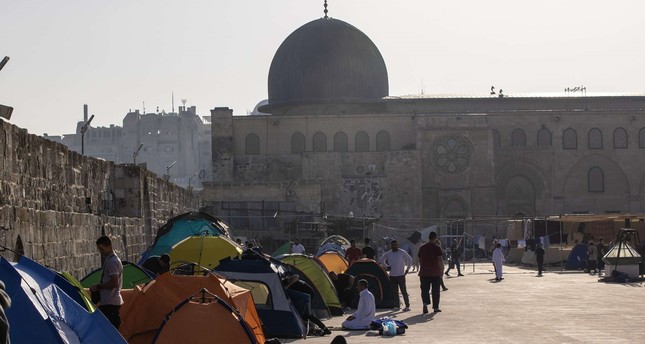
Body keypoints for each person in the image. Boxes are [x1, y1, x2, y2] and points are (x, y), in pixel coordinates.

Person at [90, 235, 124, 329]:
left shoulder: (112, 262)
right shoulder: (111, 260)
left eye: (102, 249)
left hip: (111, 303)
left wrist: (98, 286)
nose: (101, 252)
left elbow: (114, 283)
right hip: (108, 302)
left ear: (109, 246)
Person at [378, 239, 412, 311]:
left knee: (403, 291)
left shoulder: (402, 252)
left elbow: (410, 259)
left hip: (401, 275)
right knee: (394, 292)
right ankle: (397, 305)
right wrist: (387, 267)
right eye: (393, 245)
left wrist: (407, 269)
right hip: (392, 275)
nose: (394, 246)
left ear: (397, 245)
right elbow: (381, 260)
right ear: (391, 246)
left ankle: (407, 305)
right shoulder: (388, 253)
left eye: (395, 245)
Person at [419, 231, 444, 313]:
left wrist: (423, 266)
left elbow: (420, 259)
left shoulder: (422, 247)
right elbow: (440, 259)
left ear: (429, 238)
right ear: (435, 238)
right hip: (435, 272)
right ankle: (436, 307)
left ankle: (425, 304)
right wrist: (442, 269)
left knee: (425, 290)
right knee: (435, 290)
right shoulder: (437, 248)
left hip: (424, 272)